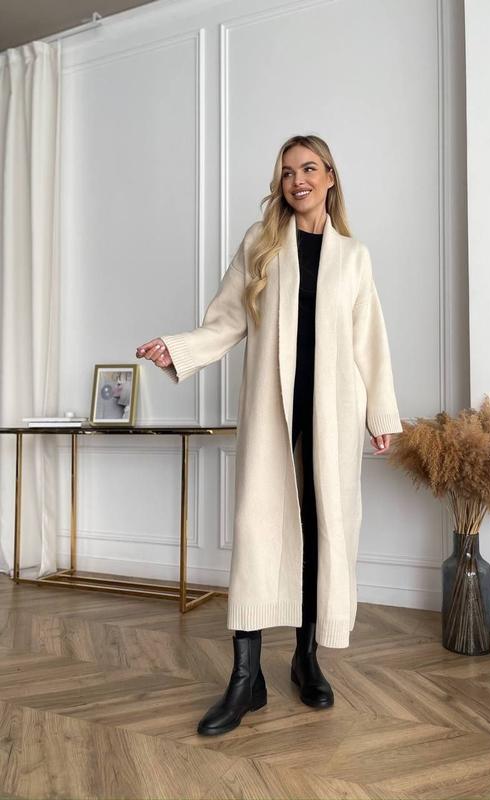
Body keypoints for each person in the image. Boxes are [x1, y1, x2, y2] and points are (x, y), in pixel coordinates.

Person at [136, 134, 403, 737]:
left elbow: (370, 339)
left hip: (332, 413)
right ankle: (245, 678)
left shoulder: (353, 256)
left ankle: (306, 659)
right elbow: (226, 319)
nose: (297, 180)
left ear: (329, 177)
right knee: (259, 531)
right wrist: (177, 349)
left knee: (321, 530)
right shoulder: (261, 242)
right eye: (287, 172)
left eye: (308, 168)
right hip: (271, 410)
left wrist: (381, 415)